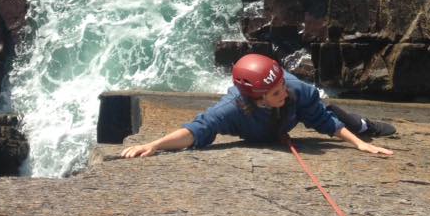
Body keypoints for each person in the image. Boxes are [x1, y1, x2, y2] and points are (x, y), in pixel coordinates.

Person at [120, 53, 396, 158]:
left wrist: (360, 143)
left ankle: (364, 125)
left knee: (337, 117)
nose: (283, 93)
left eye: (283, 86)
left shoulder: (295, 90)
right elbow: (197, 130)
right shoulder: (230, 109)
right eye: (276, 92)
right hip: (271, 127)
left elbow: (324, 123)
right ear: (257, 98)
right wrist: (154, 145)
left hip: (306, 111)